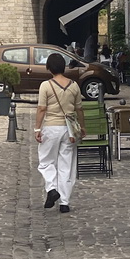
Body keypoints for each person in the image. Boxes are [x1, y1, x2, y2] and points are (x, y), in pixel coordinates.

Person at [34, 52, 85, 214]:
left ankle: (52, 188)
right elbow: (79, 109)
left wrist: (37, 128)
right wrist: (82, 127)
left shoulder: (46, 86)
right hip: (68, 130)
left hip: (51, 127)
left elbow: (42, 108)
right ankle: (64, 202)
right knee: (66, 165)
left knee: (46, 161)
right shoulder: (74, 85)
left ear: (49, 68)